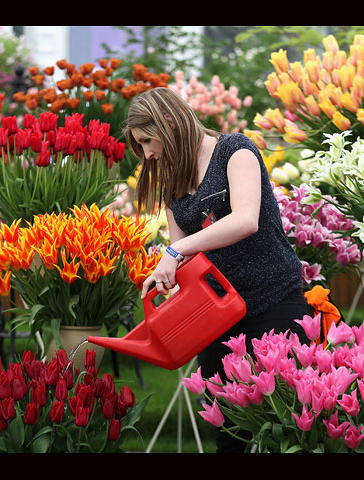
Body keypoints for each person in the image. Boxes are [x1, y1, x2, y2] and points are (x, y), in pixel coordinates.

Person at [123, 87, 312, 453]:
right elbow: (187, 257)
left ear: (171, 122)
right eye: (140, 145)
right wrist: (168, 278)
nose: (146, 154)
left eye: (148, 140)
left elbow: (245, 220)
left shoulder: (235, 151)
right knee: (228, 430)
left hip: (273, 301)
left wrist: (175, 250)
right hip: (217, 316)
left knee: (289, 424)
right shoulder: (171, 178)